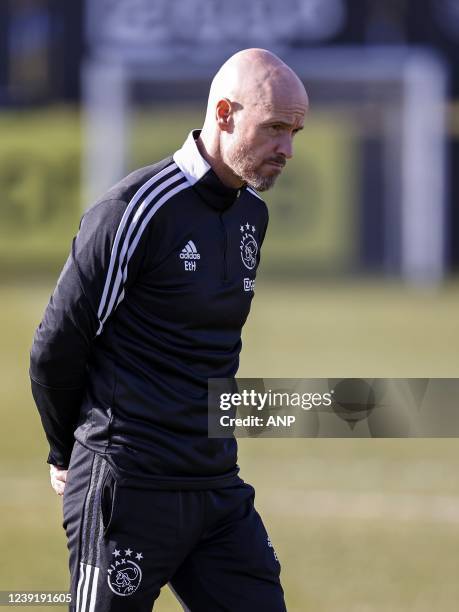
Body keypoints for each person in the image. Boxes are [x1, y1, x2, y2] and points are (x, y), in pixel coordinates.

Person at [30, 47, 308, 612]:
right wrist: (66, 452)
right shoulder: (134, 210)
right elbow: (55, 347)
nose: (287, 149)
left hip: (215, 487)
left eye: (295, 132)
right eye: (275, 127)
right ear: (225, 113)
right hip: (127, 488)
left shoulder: (253, 214)